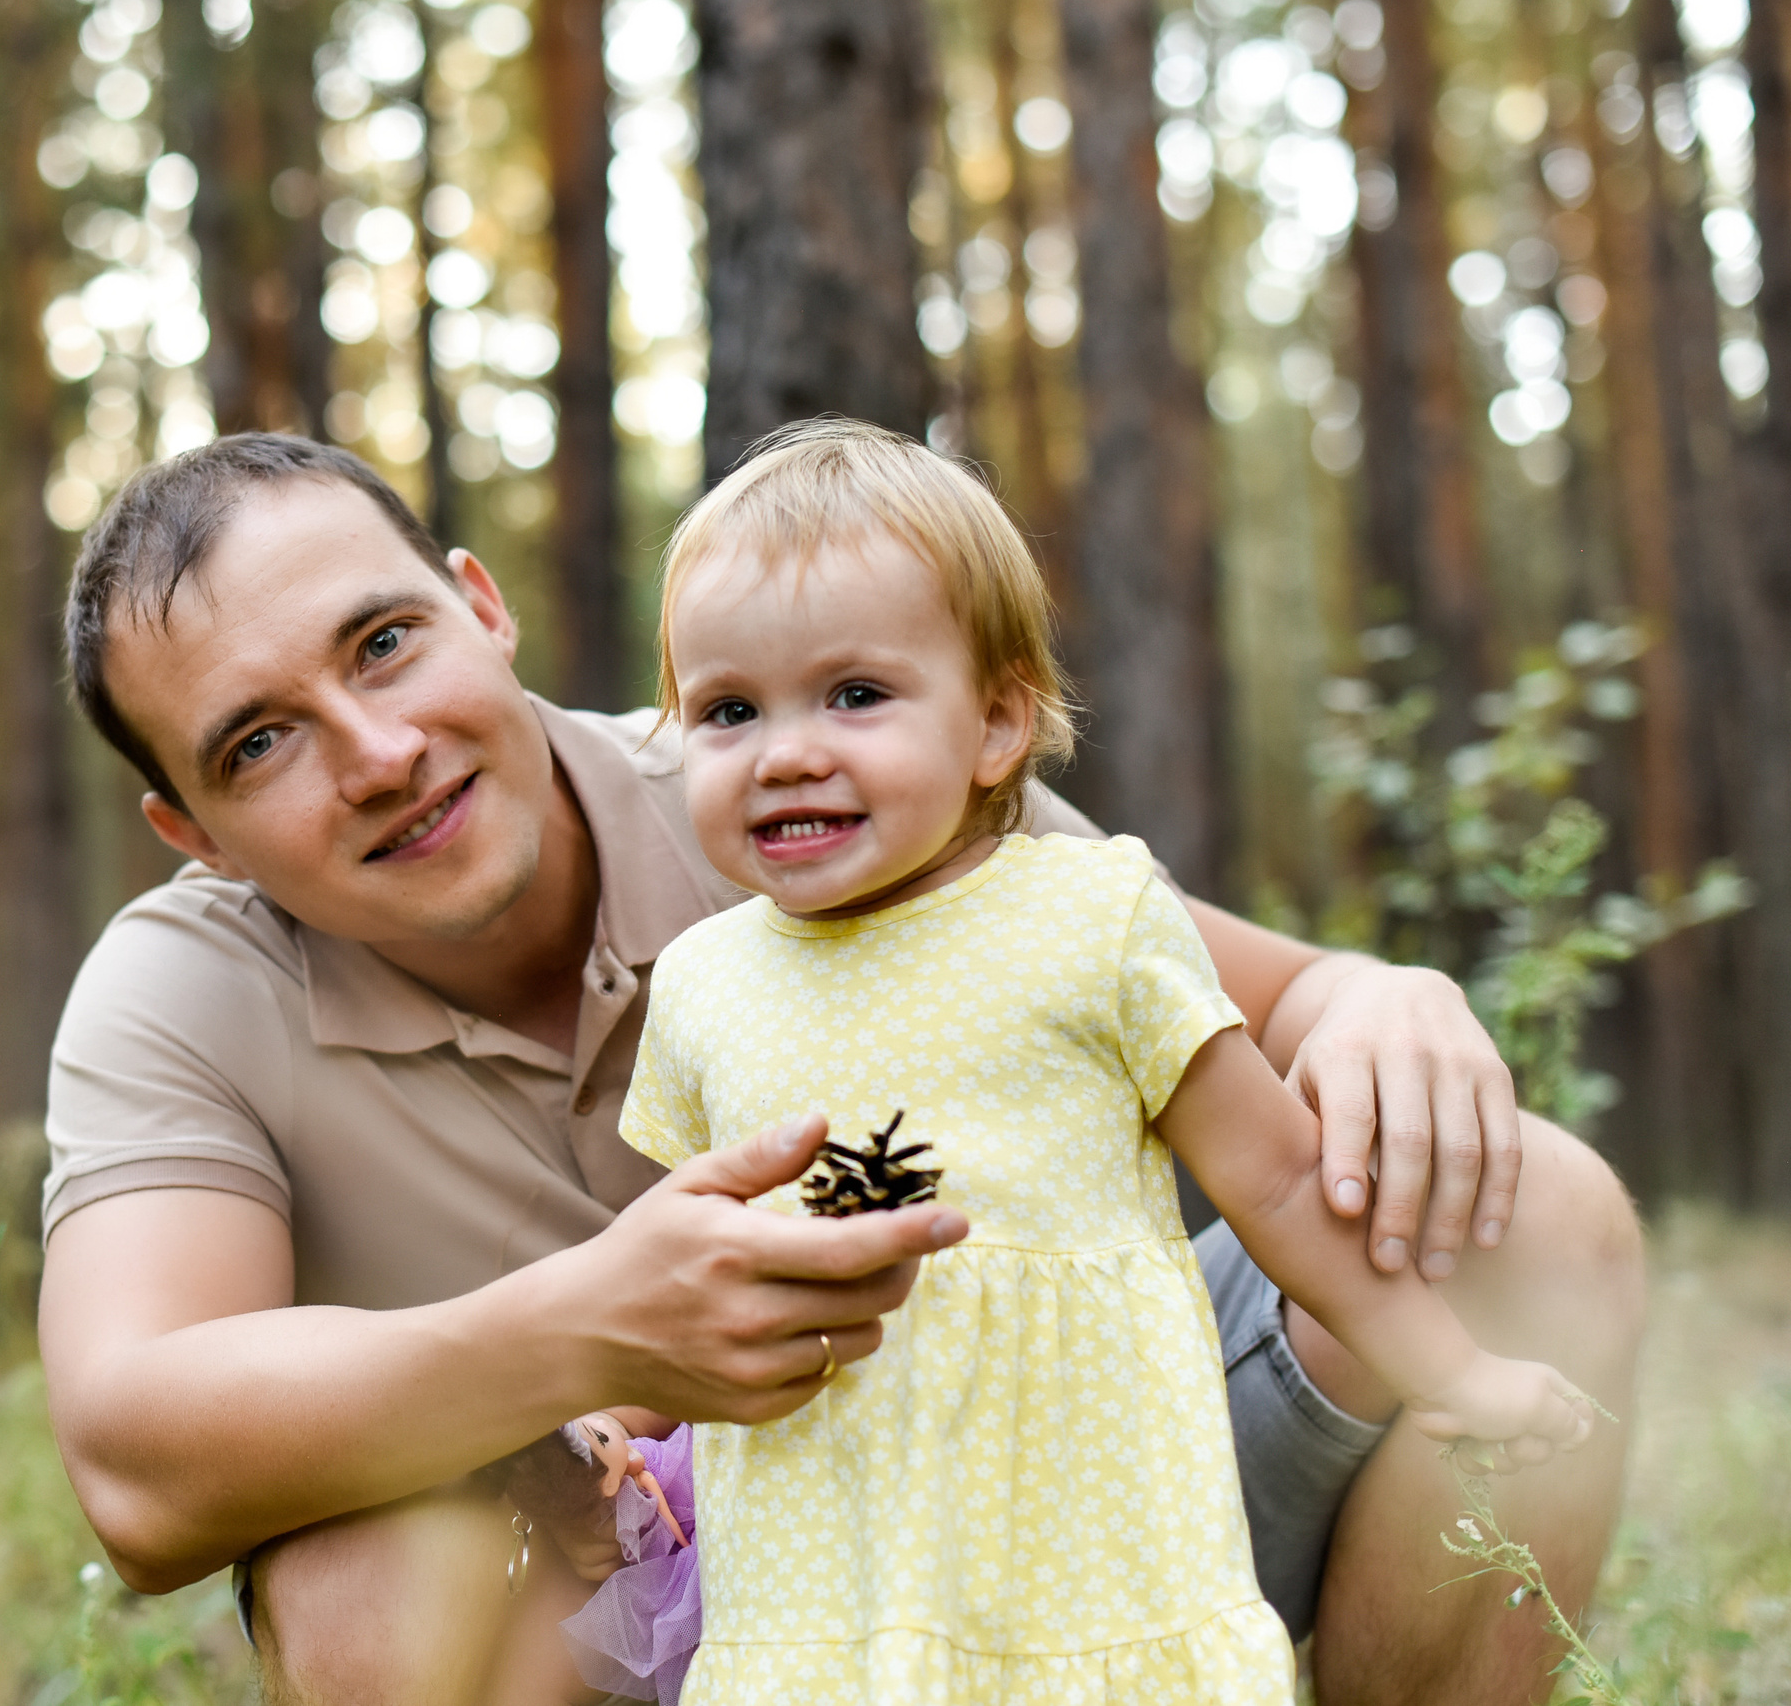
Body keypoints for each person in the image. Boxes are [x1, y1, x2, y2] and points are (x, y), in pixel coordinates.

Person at [35, 432, 1645, 1706]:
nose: (379, 753)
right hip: (658, 1593)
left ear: (481, 605)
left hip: (1065, 1473)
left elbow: (1238, 996)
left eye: (385, 643)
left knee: (1528, 1214)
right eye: (259, 740)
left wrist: (1379, 991)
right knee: (351, 1574)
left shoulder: (794, 769)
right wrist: (583, 1335)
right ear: (191, 828)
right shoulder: (183, 991)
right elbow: (133, 1458)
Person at [565, 419, 1594, 1703]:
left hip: (1090, 1544)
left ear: (997, 722)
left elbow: (1278, 1182)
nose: (786, 752)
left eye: (855, 695)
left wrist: (1451, 1372)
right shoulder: (705, 983)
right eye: (729, 710)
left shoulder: (1093, 919)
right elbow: (676, 1259)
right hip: (826, 1569)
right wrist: (619, 1413)